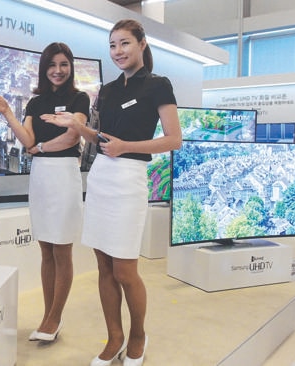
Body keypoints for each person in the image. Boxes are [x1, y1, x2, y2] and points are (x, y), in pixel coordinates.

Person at [41, 19, 182, 366]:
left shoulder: (159, 85)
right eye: (113, 46)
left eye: (125, 44)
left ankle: (137, 335)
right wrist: (79, 127)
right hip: (102, 178)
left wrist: (126, 146)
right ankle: (114, 336)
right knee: (103, 265)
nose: (118, 52)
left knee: (125, 269)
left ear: (142, 44)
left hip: (130, 178)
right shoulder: (107, 89)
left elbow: (173, 139)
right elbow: (101, 140)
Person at [0, 42, 90, 342]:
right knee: (46, 249)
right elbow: (27, 139)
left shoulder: (79, 98)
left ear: (70, 66)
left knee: (62, 248)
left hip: (64, 174)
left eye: (63, 64)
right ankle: (49, 317)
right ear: (44, 68)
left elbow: (74, 135)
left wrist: (42, 148)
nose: (58, 71)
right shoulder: (35, 103)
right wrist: (8, 112)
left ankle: (54, 317)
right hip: (41, 178)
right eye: (52, 65)